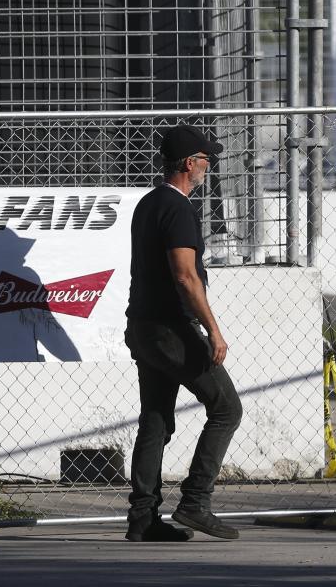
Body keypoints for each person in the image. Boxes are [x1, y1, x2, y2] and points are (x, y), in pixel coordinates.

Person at [123, 124, 243, 542]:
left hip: (142, 327)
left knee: (156, 419)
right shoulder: (178, 209)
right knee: (227, 407)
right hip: (170, 329)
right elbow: (185, 275)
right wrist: (214, 331)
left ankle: (142, 519)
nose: (209, 167)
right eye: (206, 160)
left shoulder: (148, 204)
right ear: (190, 164)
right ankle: (195, 502)